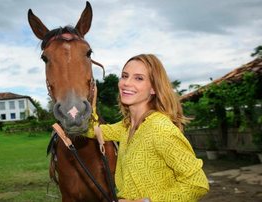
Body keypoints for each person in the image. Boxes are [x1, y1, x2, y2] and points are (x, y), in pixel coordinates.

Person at [87, 54, 209, 201]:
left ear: (153, 88)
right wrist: (89, 105)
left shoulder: (160, 129)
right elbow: (90, 130)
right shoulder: (127, 126)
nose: (126, 83)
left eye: (139, 78)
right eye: (125, 76)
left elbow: (197, 184)